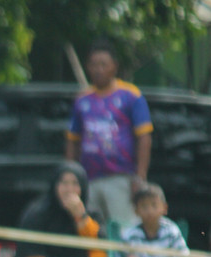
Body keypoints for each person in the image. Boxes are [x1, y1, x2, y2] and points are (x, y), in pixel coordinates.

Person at [64, 39, 152, 228]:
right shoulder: (82, 100)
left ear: (114, 67)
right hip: (89, 179)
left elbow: (144, 137)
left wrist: (140, 176)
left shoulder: (130, 95)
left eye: (103, 64)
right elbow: (72, 141)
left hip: (120, 179)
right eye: (94, 65)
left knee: (124, 230)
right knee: (89, 228)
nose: (98, 69)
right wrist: (71, 177)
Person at [120, 184, 204, 257]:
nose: (149, 211)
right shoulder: (131, 233)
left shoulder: (171, 229)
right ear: (136, 211)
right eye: (144, 206)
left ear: (164, 208)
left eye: (154, 205)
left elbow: (183, 255)